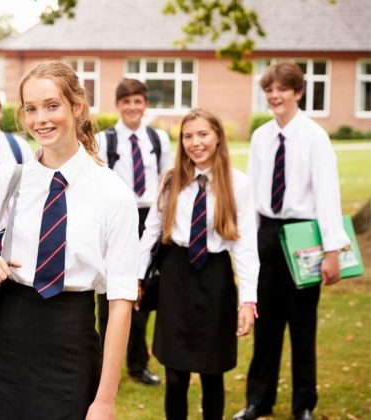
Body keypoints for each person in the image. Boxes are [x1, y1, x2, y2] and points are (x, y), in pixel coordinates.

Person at [0, 61, 139, 420]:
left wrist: (105, 400)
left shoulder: (113, 194)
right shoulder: (8, 180)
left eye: (52, 106)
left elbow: (120, 303)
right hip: (7, 334)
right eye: (31, 109)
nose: (41, 119)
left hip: (70, 340)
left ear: (77, 107)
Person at [234, 62, 350, 420]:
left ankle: (303, 406)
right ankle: (258, 401)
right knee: (265, 323)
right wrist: (247, 245)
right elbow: (252, 192)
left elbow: (328, 194)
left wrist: (332, 250)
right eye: (269, 90)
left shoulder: (315, 136)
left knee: (302, 325)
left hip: (304, 234)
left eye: (282, 89)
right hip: (267, 233)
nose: (274, 96)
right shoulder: (260, 137)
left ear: (298, 92)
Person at [138, 109, 259, 419]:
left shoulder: (238, 184)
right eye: (188, 136)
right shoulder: (170, 181)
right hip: (176, 278)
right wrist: (137, 279)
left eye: (202, 134)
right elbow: (151, 232)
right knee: (175, 374)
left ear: (217, 137)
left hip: (215, 277)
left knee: (212, 371)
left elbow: (245, 247)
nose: (195, 143)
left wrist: (248, 301)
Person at [97, 78, 173, 386]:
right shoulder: (105, 140)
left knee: (143, 293)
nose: (132, 107)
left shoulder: (159, 139)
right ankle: (104, 365)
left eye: (137, 101)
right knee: (110, 292)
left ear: (145, 104)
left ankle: (138, 363)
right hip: (116, 218)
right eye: (126, 102)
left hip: (150, 219)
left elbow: (168, 182)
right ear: (118, 105)